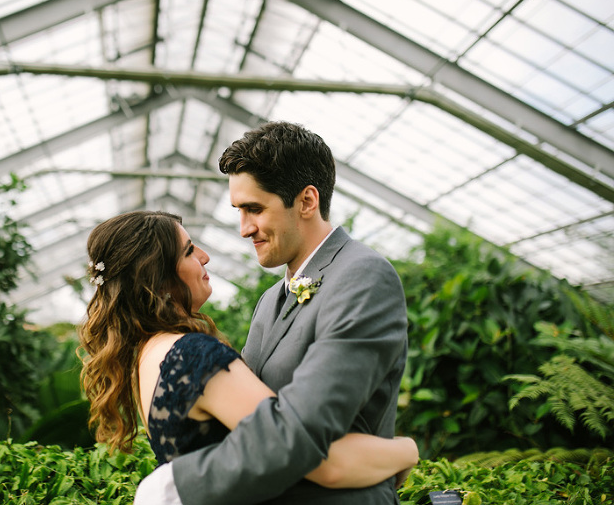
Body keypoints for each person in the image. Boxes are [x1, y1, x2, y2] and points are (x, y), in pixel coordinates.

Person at [137, 121, 411, 504]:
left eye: (254, 209)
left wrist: (172, 487)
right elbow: (248, 428)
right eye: (239, 210)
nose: (244, 229)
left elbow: (302, 431)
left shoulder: (363, 277)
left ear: (307, 201)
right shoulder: (269, 300)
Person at [78, 210, 417, 503]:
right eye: (189, 251)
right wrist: (406, 451)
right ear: (159, 278)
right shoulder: (191, 357)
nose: (205, 257)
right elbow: (315, 458)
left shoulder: (148, 355)